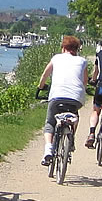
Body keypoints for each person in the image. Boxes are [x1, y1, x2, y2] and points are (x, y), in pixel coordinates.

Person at [36, 35, 90, 166]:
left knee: (50, 122)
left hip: (57, 96)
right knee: (75, 115)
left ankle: (48, 149)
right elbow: (85, 81)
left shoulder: (56, 58)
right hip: (75, 98)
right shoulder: (82, 61)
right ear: (77, 49)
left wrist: (40, 87)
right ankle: (71, 139)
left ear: (63, 47)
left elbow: (45, 75)